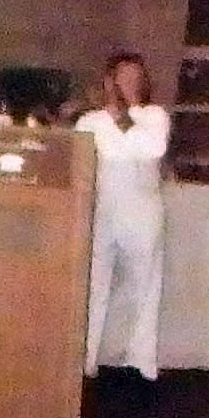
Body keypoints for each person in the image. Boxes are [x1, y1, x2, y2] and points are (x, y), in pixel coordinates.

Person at [75, 52, 170, 381]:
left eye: (136, 77)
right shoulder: (90, 122)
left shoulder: (154, 116)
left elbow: (153, 148)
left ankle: (141, 364)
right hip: (101, 211)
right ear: (109, 81)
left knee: (144, 288)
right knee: (93, 287)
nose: (130, 83)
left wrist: (122, 118)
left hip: (142, 212)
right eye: (123, 77)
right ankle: (85, 360)